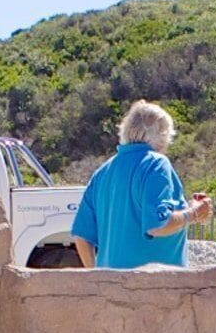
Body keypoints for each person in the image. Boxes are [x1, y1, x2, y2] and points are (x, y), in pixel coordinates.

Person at [76, 100, 209, 269]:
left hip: (111, 287)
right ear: (162, 134)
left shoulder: (103, 172)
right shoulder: (156, 164)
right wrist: (194, 213)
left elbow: (82, 236)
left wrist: (96, 275)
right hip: (154, 286)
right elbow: (158, 225)